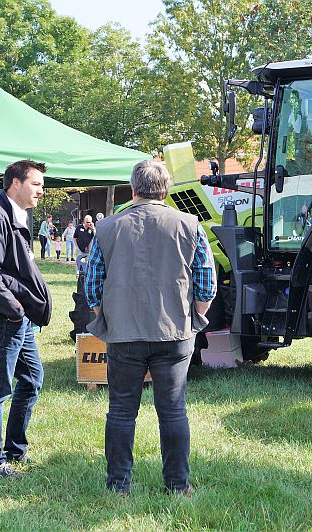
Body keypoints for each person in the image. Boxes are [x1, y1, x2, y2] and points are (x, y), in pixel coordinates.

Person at [85, 160, 216, 496]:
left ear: (133, 189)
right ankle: (177, 485)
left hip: (123, 334)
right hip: (174, 332)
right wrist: (195, 319)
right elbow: (206, 283)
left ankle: (118, 486)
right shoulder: (190, 225)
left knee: (121, 410)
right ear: (166, 190)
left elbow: (92, 285)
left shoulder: (107, 228)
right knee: (173, 411)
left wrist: (107, 319)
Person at [0, 160, 53, 479]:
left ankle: (15, 450)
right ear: (15, 183)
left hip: (19, 320)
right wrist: (15, 309)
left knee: (32, 379)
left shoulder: (17, 216)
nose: (41, 191)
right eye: (36, 184)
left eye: (42, 185)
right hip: (4, 318)